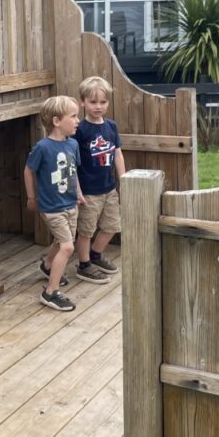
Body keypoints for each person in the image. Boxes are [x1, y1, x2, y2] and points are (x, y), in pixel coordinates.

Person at [24, 95, 85, 311]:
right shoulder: (43, 147)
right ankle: (50, 292)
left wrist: (78, 192)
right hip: (52, 208)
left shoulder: (73, 144)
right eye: (74, 116)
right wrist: (31, 197)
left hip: (71, 205)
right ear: (57, 121)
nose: (78, 120)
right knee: (68, 247)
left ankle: (48, 265)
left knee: (61, 243)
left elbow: (73, 171)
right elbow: (29, 170)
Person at [73, 76, 125, 283]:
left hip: (109, 188)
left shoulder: (111, 126)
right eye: (93, 102)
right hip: (88, 191)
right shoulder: (80, 130)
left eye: (103, 102)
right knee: (86, 230)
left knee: (112, 226)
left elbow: (118, 153)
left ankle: (96, 255)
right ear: (82, 102)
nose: (98, 106)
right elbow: (73, 162)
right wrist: (76, 189)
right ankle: (84, 265)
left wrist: (124, 178)